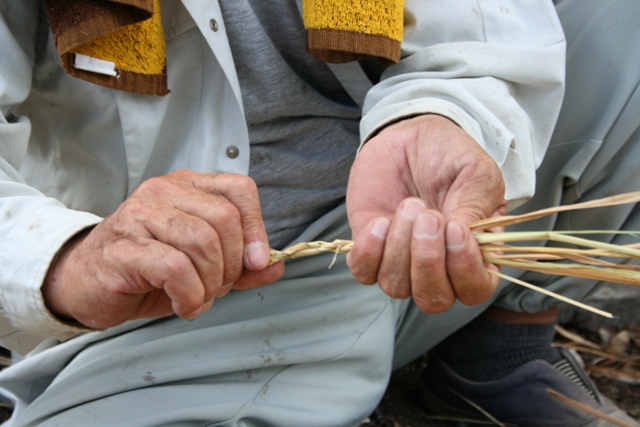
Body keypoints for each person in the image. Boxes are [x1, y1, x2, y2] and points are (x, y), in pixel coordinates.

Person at [0, 0, 637, 426]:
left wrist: (441, 116)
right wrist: (66, 258)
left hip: (411, 245)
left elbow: (483, 24)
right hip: (191, 300)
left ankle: (495, 347)